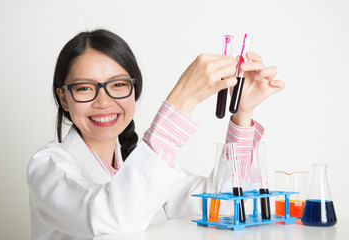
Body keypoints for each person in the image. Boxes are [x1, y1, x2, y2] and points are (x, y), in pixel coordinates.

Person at [27, 29, 284, 240]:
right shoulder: (48, 166)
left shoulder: (141, 163)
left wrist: (243, 114)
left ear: (134, 90)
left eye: (118, 85)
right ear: (63, 97)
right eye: (85, 88)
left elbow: (222, 204)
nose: (103, 102)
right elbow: (110, 217)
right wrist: (183, 99)